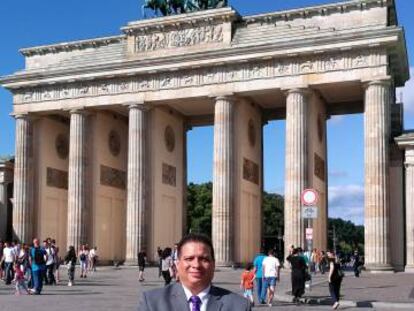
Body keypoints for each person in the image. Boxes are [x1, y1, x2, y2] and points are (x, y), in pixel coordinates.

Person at [139, 233, 251, 311]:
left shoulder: (239, 306)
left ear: (213, 264)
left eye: (204, 259)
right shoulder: (152, 302)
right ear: (177, 264)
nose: (196, 265)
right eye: (189, 258)